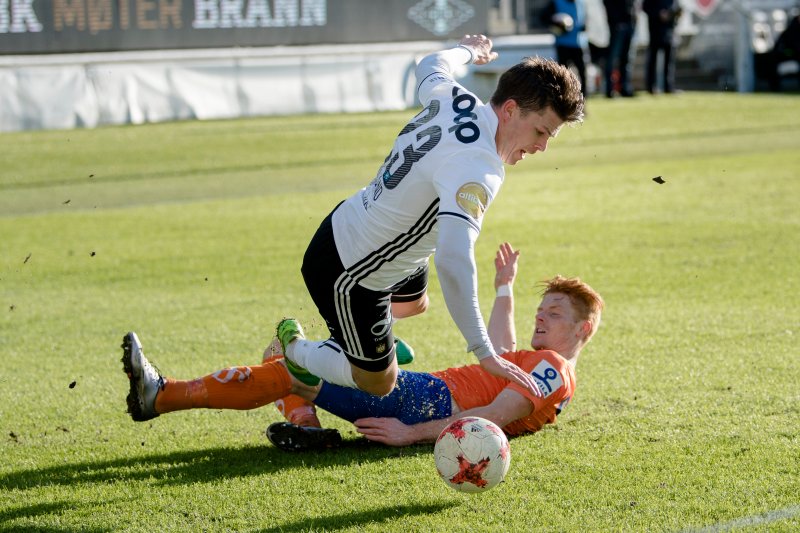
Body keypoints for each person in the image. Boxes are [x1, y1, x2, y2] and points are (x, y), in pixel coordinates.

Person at [282, 33, 585, 403]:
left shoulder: (455, 98)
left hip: (359, 224)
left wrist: (469, 52)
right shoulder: (478, 167)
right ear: (509, 110)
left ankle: (358, 338)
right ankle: (295, 351)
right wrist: (484, 352)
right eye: (541, 131)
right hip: (351, 271)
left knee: (413, 303)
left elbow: (429, 65)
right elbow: (454, 259)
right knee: (379, 382)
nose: (542, 147)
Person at [121, 243, 604, 450]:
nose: (542, 316)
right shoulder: (538, 364)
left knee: (289, 364)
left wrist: (409, 433)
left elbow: (496, 416)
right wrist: (504, 287)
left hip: (424, 403)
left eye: (555, 313)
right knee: (286, 361)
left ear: (582, 330)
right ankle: (305, 423)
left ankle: (161, 395)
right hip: (425, 395)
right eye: (542, 309)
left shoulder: (555, 369)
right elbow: (503, 352)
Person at [540, 0, 590, 97]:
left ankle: (583, 100)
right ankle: (562, 97)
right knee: (562, 74)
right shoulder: (556, 3)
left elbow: (584, 19)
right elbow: (543, 18)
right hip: (563, 44)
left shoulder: (581, 3)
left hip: (579, 44)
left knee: (582, 73)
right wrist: (556, 24)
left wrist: (584, 26)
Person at [642, 0, 682, 94]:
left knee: (669, 62)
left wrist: (676, 13)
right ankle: (651, 87)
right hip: (655, 30)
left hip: (669, 31)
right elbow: (645, 7)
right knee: (653, 60)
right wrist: (658, 14)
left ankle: (668, 87)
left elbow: (676, 7)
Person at [603, 0, 638, 97]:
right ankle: (610, 89)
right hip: (617, 26)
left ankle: (625, 88)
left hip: (630, 23)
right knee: (612, 59)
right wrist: (616, 21)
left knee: (627, 59)